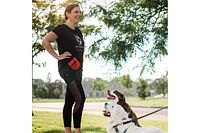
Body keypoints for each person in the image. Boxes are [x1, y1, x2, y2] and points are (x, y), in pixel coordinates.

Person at [42, 3, 85, 133]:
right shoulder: (61, 29)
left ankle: (68, 131)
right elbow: (45, 41)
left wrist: (81, 68)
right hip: (66, 68)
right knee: (81, 98)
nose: (78, 14)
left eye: (79, 12)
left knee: (70, 100)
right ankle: (77, 131)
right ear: (67, 14)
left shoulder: (78, 32)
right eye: (75, 12)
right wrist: (58, 56)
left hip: (78, 70)